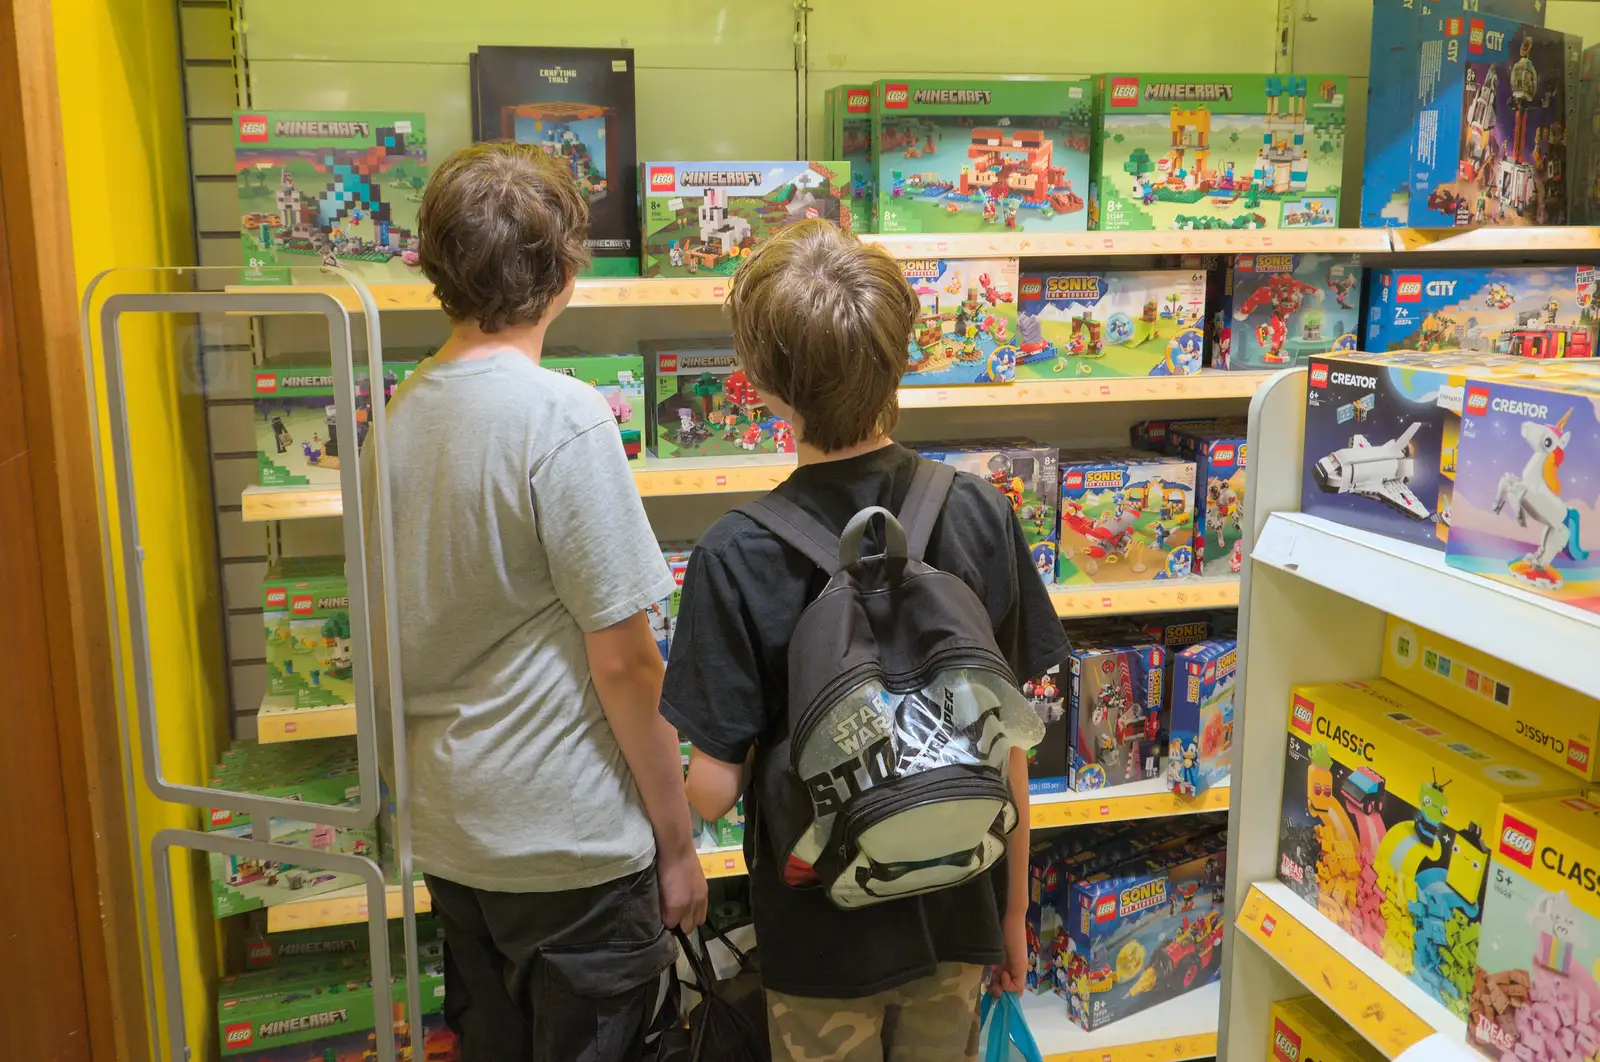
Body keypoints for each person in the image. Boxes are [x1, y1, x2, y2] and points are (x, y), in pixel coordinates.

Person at [660, 220, 1069, 1062]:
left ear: (761, 385)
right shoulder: (978, 511)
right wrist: (1015, 914)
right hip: (960, 904)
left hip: (820, 943)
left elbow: (710, 791)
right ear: (903, 356)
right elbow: (1011, 743)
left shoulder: (736, 552)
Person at [375, 142, 707, 1061]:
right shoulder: (560, 417)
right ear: (566, 271)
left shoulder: (397, 418)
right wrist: (678, 847)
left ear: (435, 266)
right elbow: (628, 661)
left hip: (456, 836)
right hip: (571, 849)